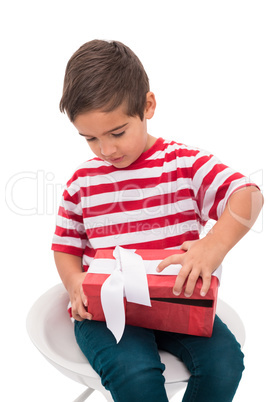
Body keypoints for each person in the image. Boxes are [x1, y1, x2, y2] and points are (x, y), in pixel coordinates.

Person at [52, 40, 263, 402]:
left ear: (147, 106)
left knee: (225, 363)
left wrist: (211, 248)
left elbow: (249, 196)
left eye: (117, 132)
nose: (107, 150)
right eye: (90, 138)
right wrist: (74, 281)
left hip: (174, 301)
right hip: (106, 309)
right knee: (136, 376)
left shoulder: (181, 163)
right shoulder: (82, 182)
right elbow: (66, 246)